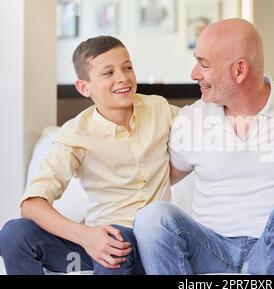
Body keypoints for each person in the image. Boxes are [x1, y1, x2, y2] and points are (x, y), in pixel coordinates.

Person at [133, 18, 274, 275]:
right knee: (153, 217)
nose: (194, 74)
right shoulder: (191, 119)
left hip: (272, 247)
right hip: (210, 248)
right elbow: (149, 182)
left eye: (203, 64)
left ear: (239, 70)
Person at [0, 36, 177, 275]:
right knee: (14, 233)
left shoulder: (159, 109)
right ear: (84, 87)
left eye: (127, 68)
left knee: (116, 240)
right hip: (94, 247)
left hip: (146, 244)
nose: (122, 78)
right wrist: (87, 237)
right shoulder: (75, 134)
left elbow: (201, 131)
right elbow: (32, 205)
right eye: (108, 73)